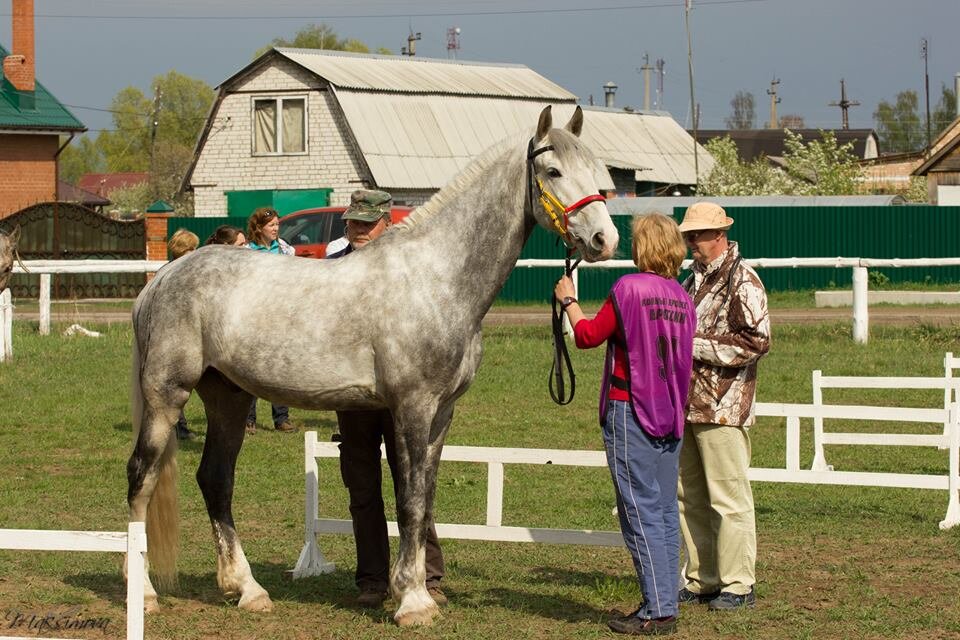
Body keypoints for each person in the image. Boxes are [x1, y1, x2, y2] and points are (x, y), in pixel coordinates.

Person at [554, 213, 695, 637]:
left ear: (643, 248)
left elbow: (588, 336)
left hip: (629, 407)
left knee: (638, 510)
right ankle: (665, 599)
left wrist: (569, 302)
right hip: (670, 412)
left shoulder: (629, 288)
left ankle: (657, 609)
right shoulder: (681, 297)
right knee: (665, 508)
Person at [328, 189, 446, 608]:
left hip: (403, 400)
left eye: (366, 222)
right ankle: (373, 580)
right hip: (354, 396)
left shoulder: (409, 271)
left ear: (387, 223)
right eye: (353, 222)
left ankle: (426, 575)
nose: (357, 230)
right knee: (362, 489)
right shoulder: (334, 269)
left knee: (414, 482)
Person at [675, 202, 770, 611]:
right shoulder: (689, 281)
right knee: (690, 497)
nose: (691, 242)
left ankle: (738, 584)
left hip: (724, 407)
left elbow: (756, 342)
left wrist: (691, 345)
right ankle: (702, 579)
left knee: (728, 498)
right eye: (689, 236)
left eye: (697, 235)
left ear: (720, 235)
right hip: (685, 406)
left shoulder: (743, 281)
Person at [243, 208, 295, 434]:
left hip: (279, 315)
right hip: (254, 314)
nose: (276, 229)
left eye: (277, 224)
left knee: (278, 367)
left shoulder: (285, 250)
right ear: (259, 227)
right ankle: (248, 419)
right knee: (250, 367)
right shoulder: (246, 252)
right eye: (271, 225)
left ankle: (281, 418)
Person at [167, 229, 200, 441]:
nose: (195, 253)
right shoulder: (172, 275)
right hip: (176, 336)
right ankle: (178, 426)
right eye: (192, 249)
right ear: (183, 250)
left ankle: (181, 426)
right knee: (176, 385)